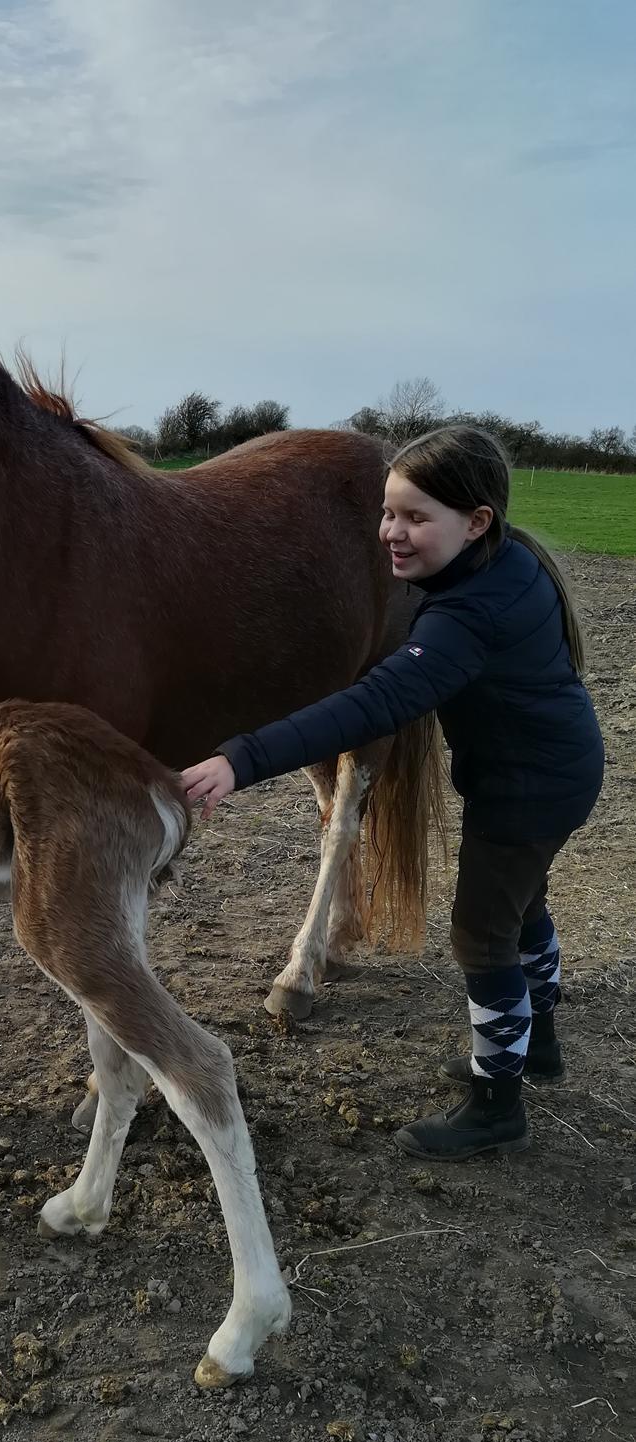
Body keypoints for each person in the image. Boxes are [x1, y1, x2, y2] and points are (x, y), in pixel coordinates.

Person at [181, 425, 604, 1162]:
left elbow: (367, 707)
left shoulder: (465, 617)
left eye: (415, 518)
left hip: (527, 790)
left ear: (476, 524)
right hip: (554, 773)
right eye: (387, 512)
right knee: (523, 904)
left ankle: (496, 1103)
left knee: (481, 933)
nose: (391, 534)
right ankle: (535, 1047)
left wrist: (240, 759)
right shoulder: (504, 567)